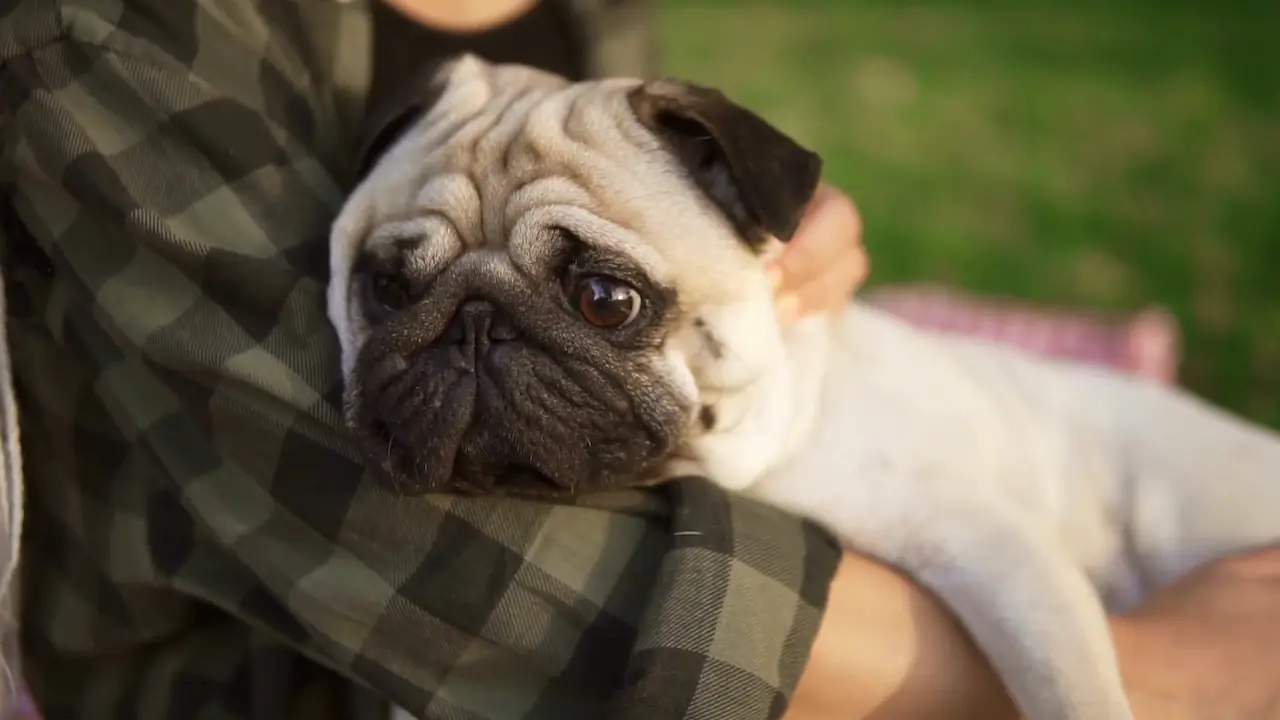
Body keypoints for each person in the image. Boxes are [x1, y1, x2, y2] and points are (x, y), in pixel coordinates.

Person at [2, 0, 1280, 718]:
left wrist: (779, 227)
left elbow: (1000, 550)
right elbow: (368, 536)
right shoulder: (114, 39)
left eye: (603, 298)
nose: (477, 338)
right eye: (405, 281)